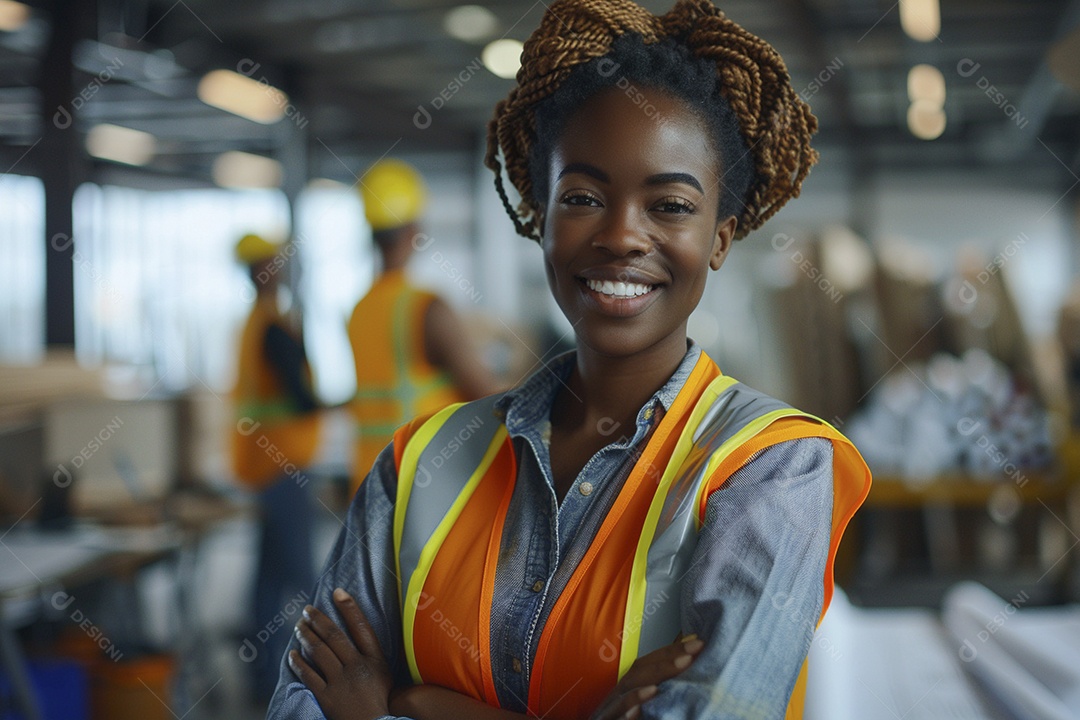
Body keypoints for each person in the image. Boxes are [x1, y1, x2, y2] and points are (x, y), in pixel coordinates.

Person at [269, 1, 872, 718]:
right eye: (584, 196)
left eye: (671, 205)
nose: (621, 235)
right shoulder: (418, 463)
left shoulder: (774, 469)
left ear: (720, 236)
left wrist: (406, 704)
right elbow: (299, 704)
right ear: (541, 216)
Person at [348, 159, 499, 492]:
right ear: (415, 231)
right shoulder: (427, 309)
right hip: (424, 488)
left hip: (368, 486)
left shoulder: (359, 310)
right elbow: (486, 396)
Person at [230, 233, 322, 704]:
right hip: (283, 468)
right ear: (261, 270)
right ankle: (319, 686)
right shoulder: (272, 327)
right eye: (274, 262)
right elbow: (302, 398)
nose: (281, 269)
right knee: (307, 580)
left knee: (267, 582)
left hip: (261, 468)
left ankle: (260, 683)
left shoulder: (254, 323)